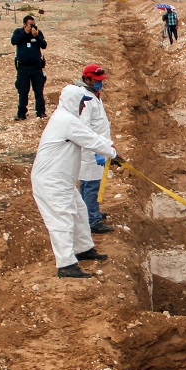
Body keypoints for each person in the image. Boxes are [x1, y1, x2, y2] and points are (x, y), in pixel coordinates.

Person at [31, 86, 121, 278]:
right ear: (72, 101)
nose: (82, 107)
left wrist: (109, 148)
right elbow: (90, 140)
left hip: (62, 180)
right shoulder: (66, 120)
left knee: (80, 211)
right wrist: (112, 153)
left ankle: (83, 249)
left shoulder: (68, 119)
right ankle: (66, 264)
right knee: (61, 220)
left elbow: (91, 135)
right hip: (51, 181)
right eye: (81, 103)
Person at [74, 64, 114, 234]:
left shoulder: (94, 95)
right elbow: (85, 129)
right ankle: (92, 220)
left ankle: (90, 212)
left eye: (101, 81)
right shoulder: (86, 99)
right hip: (91, 151)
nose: (100, 84)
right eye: (96, 81)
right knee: (91, 185)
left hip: (98, 147)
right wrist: (96, 151)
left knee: (89, 184)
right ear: (87, 79)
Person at [11, 14, 47, 120]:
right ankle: (21, 113)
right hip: (23, 67)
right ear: (24, 24)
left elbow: (44, 45)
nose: (32, 27)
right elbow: (14, 41)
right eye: (30, 25)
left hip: (36, 67)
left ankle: (41, 112)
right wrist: (25, 33)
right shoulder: (18, 32)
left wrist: (36, 36)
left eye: (33, 24)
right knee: (23, 91)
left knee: (39, 90)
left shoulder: (37, 33)